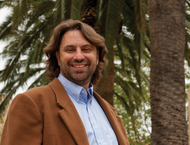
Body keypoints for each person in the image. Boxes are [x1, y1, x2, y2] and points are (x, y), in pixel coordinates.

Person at [1, 19, 129, 145]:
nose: (79, 57)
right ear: (58, 57)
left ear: (97, 58)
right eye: (70, 50)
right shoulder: (32, 102)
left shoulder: (111, 113)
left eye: (86, 49)